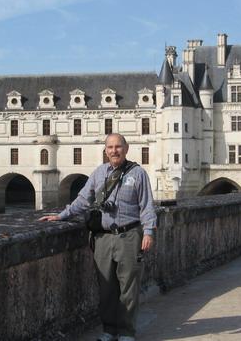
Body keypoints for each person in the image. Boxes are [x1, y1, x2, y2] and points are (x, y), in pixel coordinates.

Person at [39, 133, 157, 341]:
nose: (114, 151)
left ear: (126, 148)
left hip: (129, 235)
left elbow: (146, 205)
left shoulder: (138, 173)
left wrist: (148, 232)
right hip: (102, 238)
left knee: (128, 287)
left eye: (118, 146)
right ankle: (109, 330)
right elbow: (83, 200)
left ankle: (126, 332)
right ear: (105, 151)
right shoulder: (99, 173)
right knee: (106, 288)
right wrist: (61, 215)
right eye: (110, 147)